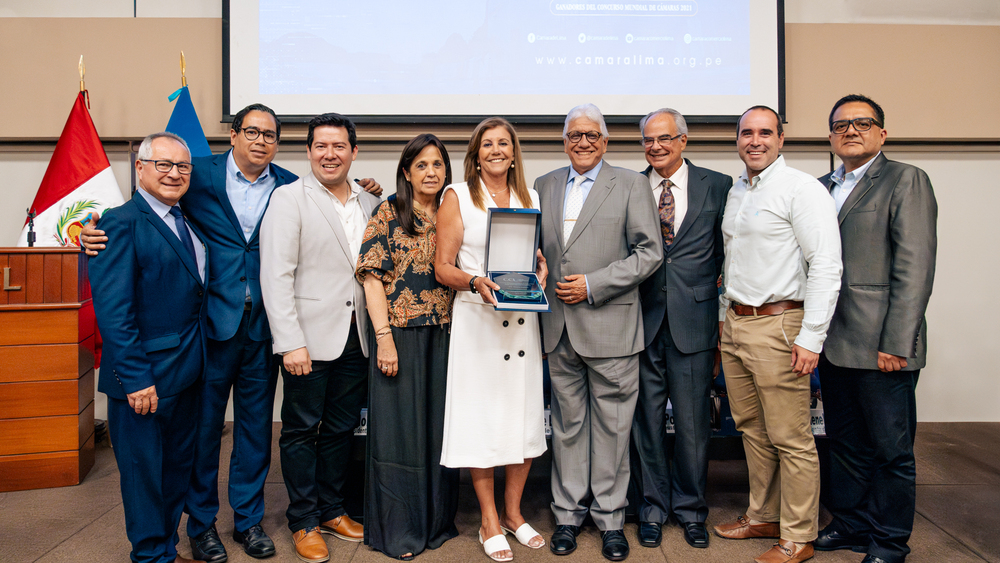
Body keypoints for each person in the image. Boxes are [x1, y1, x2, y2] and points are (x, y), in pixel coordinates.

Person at [82, 104, 379, 563]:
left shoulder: (289, 185)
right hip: (209, 329)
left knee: (255, 433)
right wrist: (90, 230)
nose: (260, 141)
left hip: (264, 327)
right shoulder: (195, 172)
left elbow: (336, 198)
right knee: (202, 435)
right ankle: (201, 527)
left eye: (270, 135)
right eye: (252, 132)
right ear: (234, 134)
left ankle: (248, 521)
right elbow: (147, 206)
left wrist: (368, 187)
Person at [713, 106, 842, 563]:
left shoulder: (802, 189)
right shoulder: (737, 192)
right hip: (738, 324)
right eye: (746, 133)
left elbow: (826, 265)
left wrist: (811, 337)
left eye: (765, 132)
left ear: (781, 139)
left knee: (791, 437)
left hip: (781, 325)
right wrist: (726, 322)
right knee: (751, 429)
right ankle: (763, 515)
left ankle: (799, 535)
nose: (755, 140)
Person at [535, 104, 662, 562]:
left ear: (606, 141)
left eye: (591, 135)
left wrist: (593, 284)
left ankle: (610, 519)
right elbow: (537, 250)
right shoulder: (544, 185)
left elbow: (650, 254)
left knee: (612, 428)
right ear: (564, 140)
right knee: (567, 428)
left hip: (611, 325)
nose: (582, 142)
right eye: (574, 135)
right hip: (557, 330)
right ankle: (567, 516)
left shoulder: (631, 184)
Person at [814, 95, 937, 563]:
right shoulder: (822, 186)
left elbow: (915, 268)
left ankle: (888, 540)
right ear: (830, 135)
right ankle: (850, 524)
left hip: (883, 344)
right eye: (841, 124)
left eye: (862, 123)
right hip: (833, 342)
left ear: (882, 133)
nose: (851, 130)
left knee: (891, 450)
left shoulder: (906, 180)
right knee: (844, 443)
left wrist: (897, 343)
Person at [260, 113, 379, 563]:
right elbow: (276, 275)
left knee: (341, 429)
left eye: (339, 146)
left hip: (357, 337)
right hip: (307, 339)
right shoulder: (288, 199)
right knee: (300, 430)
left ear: (352, 151)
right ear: (309, 151)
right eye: (321, 146)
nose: (330, 154)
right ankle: (304, 520)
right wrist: (290, 341)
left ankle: (332, 509)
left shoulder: (369, 203)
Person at [90, 132, 208, 563]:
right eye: (163, 164)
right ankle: (150, 555)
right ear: (140, 168)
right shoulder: (117, 224)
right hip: (143, 381)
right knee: (144, 480)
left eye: (182, 167)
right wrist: (137, 379)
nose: (174, 173)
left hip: (185, 374)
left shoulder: (185, 220)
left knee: (174, 473)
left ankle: (165, 549)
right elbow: (115, 314)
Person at [434, 117, 549, 563]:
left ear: (514, 152)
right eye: (488, 144)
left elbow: (532, 258)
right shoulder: (457, 196)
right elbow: (443, 267)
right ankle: (487, 519)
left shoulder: (530, 196)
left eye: (504, 143)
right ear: (476, 154)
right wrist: (475, 281)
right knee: (481, 420)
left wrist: (538, 274)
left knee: (521, 417)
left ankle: (514, 514)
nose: (497, 150)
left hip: (521, 318)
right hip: (478, 319)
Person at [631, 108, 733, 550]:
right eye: (648, 140)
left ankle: (691, 509)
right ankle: (651, 508)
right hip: (641, 322)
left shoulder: (720, 185)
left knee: (693, 425)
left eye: (665, 138)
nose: (656, 147)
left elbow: (730, 252)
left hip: (696, 322)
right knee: (646, 423)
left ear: (684, 140)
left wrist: (724, 316)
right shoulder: (629, 186)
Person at [356, 134, 460, 561]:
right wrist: (384, 339)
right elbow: (370, 277)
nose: (431, 172)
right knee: (399, 439)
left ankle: (435, 524)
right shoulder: (390, 211)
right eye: (422, 165)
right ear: (406, 171)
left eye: (438, 164)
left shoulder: (452, 214)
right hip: (400, 335)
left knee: (437, 434)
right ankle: (399, 531)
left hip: (447, 337)